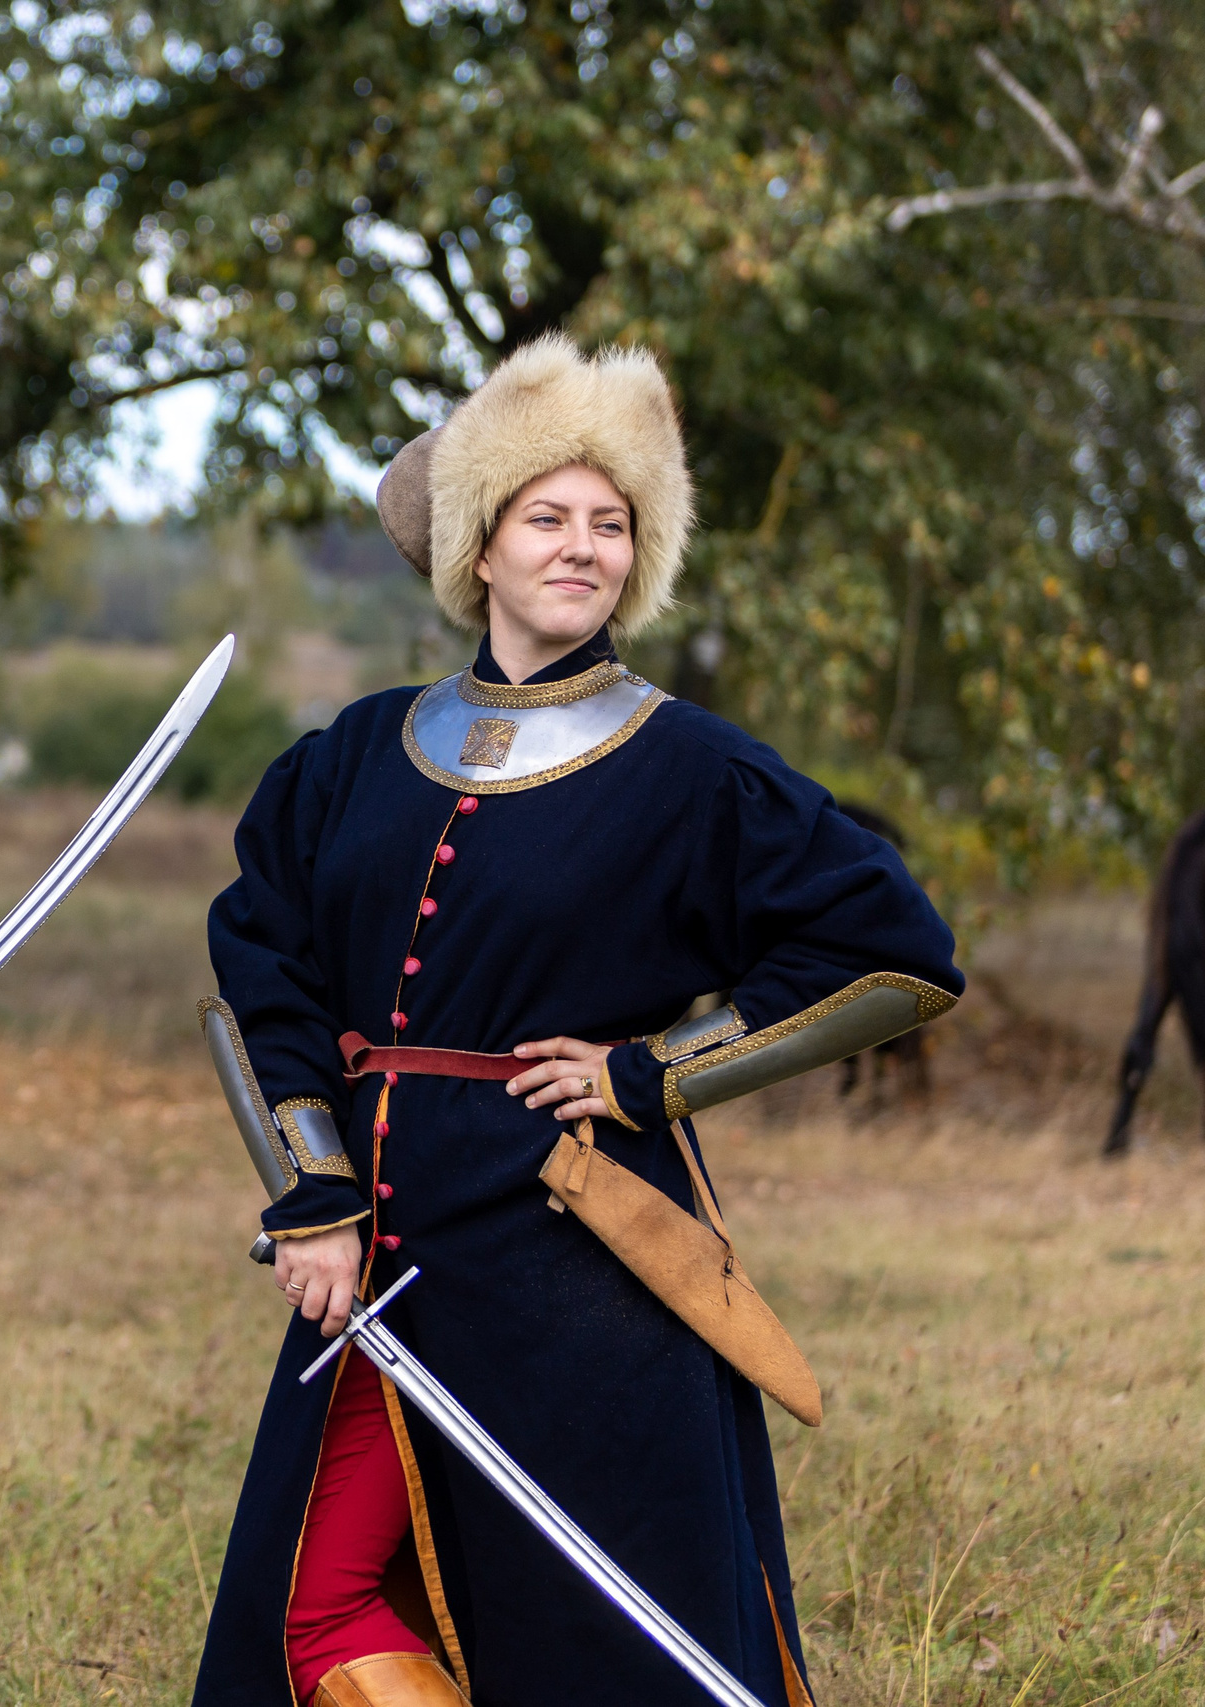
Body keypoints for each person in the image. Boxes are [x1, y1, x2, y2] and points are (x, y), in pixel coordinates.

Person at [193, 337, 962, 1707]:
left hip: (574, 1259)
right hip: (375, 1249)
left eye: (611, 524)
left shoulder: (693, 768)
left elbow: (892, 952)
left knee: (600, 1636)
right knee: (311, 1607)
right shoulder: (356, 753)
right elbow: (262, 959)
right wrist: (309, 1184)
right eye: (548, 516)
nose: (582, 546)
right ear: (478, 548)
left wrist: (653, 1070)